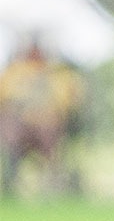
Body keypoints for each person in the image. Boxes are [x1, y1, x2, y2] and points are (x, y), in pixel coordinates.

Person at [0, 36, 87, 199]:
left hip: (49, 127)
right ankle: (13, 180)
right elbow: (5, 100)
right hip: (21, 127)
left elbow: (70, 101)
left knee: (49, 130)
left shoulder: (57, 74)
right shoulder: (15, 72)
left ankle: (53, 182)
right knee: (11, 127)